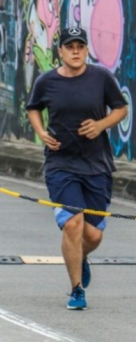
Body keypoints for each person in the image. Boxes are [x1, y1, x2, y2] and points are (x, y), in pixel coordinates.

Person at [26, 27, 128, 311]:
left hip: (96, 165)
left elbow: (121, 109)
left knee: (93, 234)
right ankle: (76, 289)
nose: (75, 51)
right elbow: (33, 107)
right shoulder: (46, 81)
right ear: (60, 51)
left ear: (86, 50)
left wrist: (100, 125)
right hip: (61, 163)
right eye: (69, 46)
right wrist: (41, 131)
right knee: (73, 223)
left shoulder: (101, 78)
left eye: (79, 46)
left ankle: (80, 256)